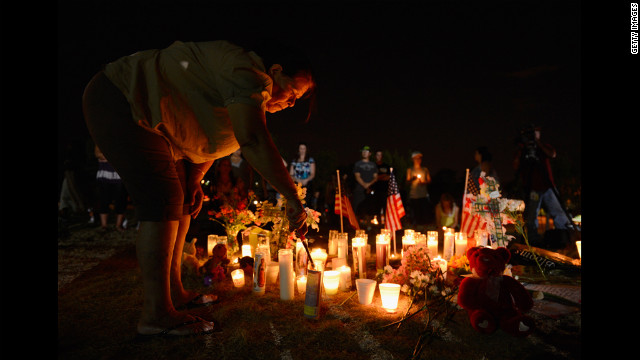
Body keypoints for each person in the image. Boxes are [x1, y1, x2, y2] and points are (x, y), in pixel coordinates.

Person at [82, 39, 314, 337]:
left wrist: (193, 179)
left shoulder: (247, 94)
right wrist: (293, 198)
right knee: (163, 201)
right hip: (123, 98)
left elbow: (211, 136)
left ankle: (174, 293)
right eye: (294, 91)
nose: (293, 102)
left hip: (163, 127)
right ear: (276, 70)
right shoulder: (248, 73)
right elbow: (253, 141)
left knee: (183, 202)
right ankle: (156, 314)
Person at [513, 125, 572, 242]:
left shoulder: (543, 148)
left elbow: (552, 154)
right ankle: (532, 239)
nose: (533, 136)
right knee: (531, 215)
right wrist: (522, 150)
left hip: (548, 186)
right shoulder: (523, 151)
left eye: (535, 133)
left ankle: (564, 236)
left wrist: (538, 144)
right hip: (533, 188)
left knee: (558, 211)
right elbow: (516, 167)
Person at [94, 145, 129, 233]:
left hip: (119, 176)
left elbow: (125, 156)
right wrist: (113, 157)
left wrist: (108, 157)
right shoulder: (100, 140)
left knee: (120, 200)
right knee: (103, 200)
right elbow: (98, 154)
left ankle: (118, 225)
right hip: (104, 175)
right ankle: (104, 226)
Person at [405, 151, 432, 229]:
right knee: (414, 214)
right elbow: (407, 182)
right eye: (416, 158)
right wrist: (412, 179)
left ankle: (423, 228)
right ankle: (414, 228)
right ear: (412, 159)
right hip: (414, 195)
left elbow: (429, 180)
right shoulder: (410, 170)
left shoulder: (425, 169)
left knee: (424, 214)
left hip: (423, 195)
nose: (418, 160)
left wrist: (424, 182)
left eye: (419, 158)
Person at [352, 145, 378, 218]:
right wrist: (364, 185)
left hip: (370, 190)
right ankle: (355, 223)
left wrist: (369, 185)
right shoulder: (358, 164)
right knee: (357, 206)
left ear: (370, 153)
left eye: (366, 151)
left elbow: (375, 177)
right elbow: (357, 176)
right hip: (359, 189)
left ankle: (368, 224)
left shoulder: (373, 165)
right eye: (363, 151)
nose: (364, 153)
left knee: (370, 208)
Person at [289, 142, 316, 208]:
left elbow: (312, 174)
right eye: (301, 148)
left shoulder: (310, 160)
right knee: (297, 204)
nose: (302, 150)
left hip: (307, 185)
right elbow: (291, 174)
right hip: (296, 185)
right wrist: (297, 180)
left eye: (304, 148)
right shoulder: (294, 160)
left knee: (307, 204)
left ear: (306, 149)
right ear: (298, 149)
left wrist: (306, 180)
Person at [371, 149, 391, 218]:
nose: (379, 156)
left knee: (385, 207)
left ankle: (386, 223)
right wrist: (383, 176)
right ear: (375, 156)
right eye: (377, 155)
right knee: (377, 208)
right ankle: (378, 224)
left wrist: (378, 177)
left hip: (385, 190)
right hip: (376, 190)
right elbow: (373, 178)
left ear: (382, 156)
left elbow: (388, 177)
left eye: (380, 155)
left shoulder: (386, 166)